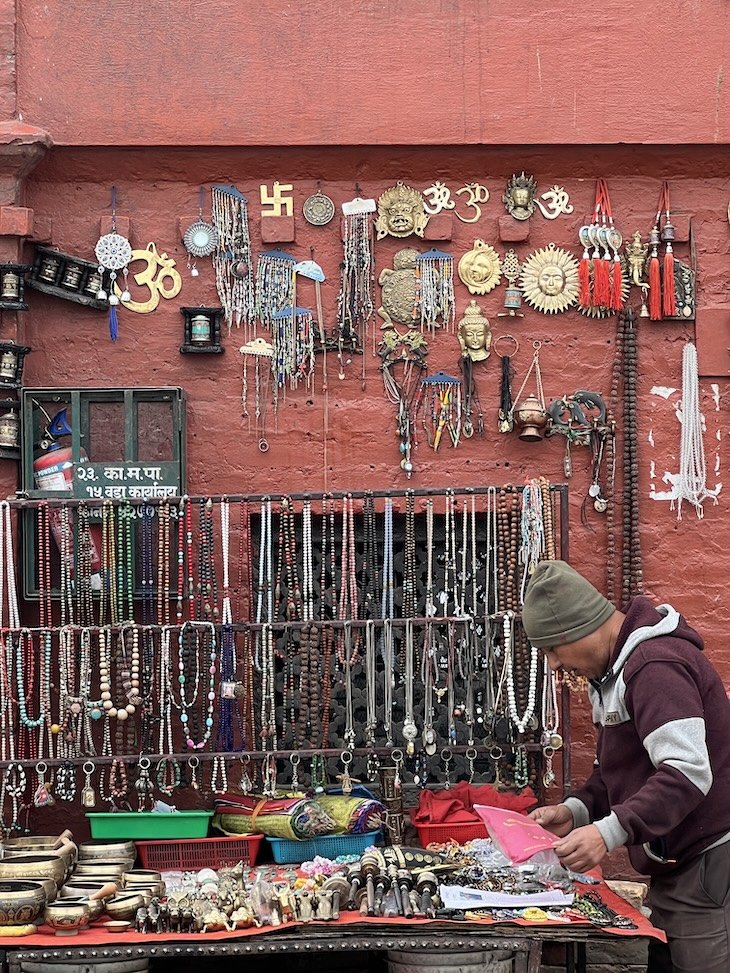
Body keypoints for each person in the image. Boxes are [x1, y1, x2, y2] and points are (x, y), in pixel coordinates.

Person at [521, 560, 730, 973]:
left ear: (572, 630)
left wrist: (607, 832)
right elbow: (618, 771)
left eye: (551, 650)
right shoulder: (612, 676)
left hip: (707, 863)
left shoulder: (653, 666)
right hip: (676, 865)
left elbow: (686, 773)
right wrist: (575, 811)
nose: (555, 665)